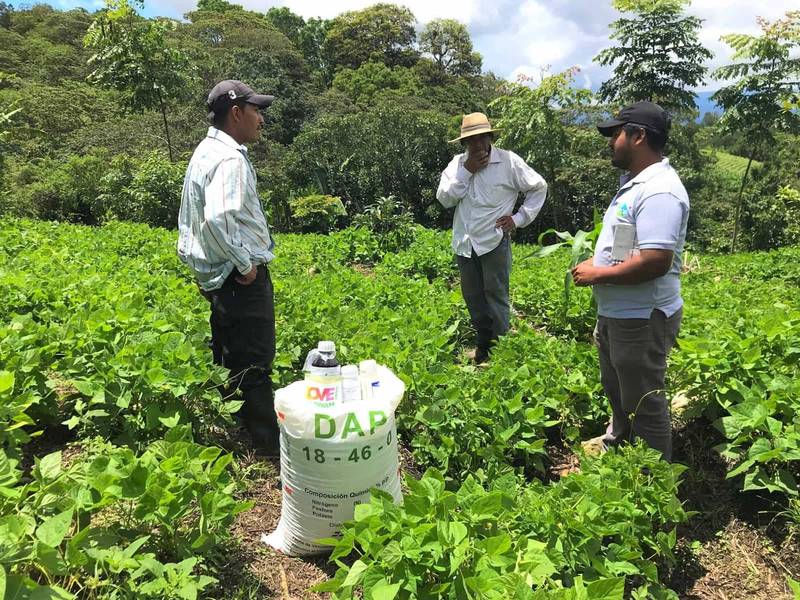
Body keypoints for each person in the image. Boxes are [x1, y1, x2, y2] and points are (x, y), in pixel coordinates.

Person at [572, 101, 689, 462]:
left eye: (616, 134)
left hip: (641, 316)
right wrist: (600, 261)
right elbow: (629, 244)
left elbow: (656, 260)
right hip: (619, 312)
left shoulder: (660, 191)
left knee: (644, 401)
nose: (611, 142)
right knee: (618, 389)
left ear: (638, 136)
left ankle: (654, 484)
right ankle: (618, 443)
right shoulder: (636, 185)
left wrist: (599, 273)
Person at [177, 80, 278, 453]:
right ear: (236, 113)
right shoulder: (230, 158)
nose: (261, 119)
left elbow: (189, 222)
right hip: (239, 278)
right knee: (254, 363)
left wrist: (205, 272)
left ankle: (237, 432)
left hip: (220, 279)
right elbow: (218, 220)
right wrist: (244, 265)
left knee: (230, 356)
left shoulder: (204, 151)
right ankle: (266, 446)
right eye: (257, 111)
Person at [436, 112, 547, 364]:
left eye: (480, 138)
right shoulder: (457, 165)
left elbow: (538, 186)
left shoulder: (509, 162)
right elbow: (444, 199)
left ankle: (499, 351)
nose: (476, 145)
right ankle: (483, 344)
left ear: (489, 137)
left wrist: (518, 219)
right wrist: (467, 171)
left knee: (495, 295)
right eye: (470, 140)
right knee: (473, 296)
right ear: (464, 143)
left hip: (494, 240)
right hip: (465, 243)